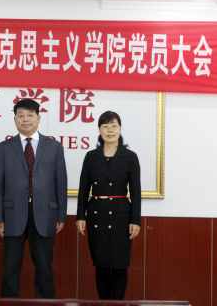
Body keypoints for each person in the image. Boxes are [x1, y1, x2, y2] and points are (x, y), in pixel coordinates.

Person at [0, 98, 67, 299]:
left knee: (44, 268)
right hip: (13, 214)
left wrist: (61, 215)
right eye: (21, 115)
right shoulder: (4, 147)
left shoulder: (54, 147)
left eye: (30, 115)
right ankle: (7, 304)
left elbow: (61, 184)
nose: (25, 119)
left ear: (38, 118)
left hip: (45, 214)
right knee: (10, 268)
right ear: (15, 119)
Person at [76, 111, 141, 300]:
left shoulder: (130, 157)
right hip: (97, 213)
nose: (110, 130)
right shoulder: (91, 156)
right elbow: (83, 188)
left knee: (120, 265)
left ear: (120, 129)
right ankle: (103, 303)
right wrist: (80, 216)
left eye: (113, 126)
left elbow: (135, 191)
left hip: (122, 215)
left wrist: (136, 220)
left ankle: (117, 304)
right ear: (99, 130)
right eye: (105, 126)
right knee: (101, 264)